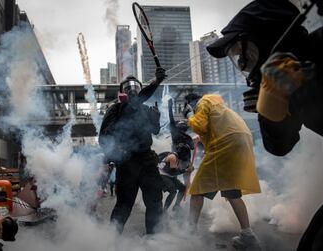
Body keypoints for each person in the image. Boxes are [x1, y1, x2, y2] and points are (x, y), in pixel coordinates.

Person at [206, 0, 323, 250]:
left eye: (243, 52)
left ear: (267, 40)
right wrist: (272, 102)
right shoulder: (280, 82)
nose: (242, 62)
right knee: (312, 239)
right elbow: (279, 146)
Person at [182, 93, 262, 250]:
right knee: (231, 191)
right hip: (241, 139)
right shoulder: (217, 104)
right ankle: (248, 235)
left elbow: (199, 125)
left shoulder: (203, 102)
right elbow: (208, 131)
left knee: (197, 190)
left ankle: (189, 233)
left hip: (226, 142)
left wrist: (189, 116)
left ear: (191, 103)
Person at [98, 67, 166, 234]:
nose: (132, 90)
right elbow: (104, 138)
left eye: (135, 86)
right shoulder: (116, 109)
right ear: (122, 92)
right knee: (124, 204)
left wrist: (156, 118)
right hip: (127, 162)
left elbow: (155, 130)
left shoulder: (145, 109)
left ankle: (154, 239)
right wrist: (117, 151)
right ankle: (111, 241)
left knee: (155, 201)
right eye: (127, 87)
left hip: (147, 160)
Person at [158, 143, 194, 212]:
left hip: (169, 176)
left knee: (183, 188)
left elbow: (177, 170)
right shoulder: (173, 157)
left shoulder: (177, 157)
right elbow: (173, 172)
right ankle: (164, 211)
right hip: (162, 175)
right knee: (173, 191)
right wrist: (186, 170)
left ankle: (176, 206)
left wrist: (189, 168)